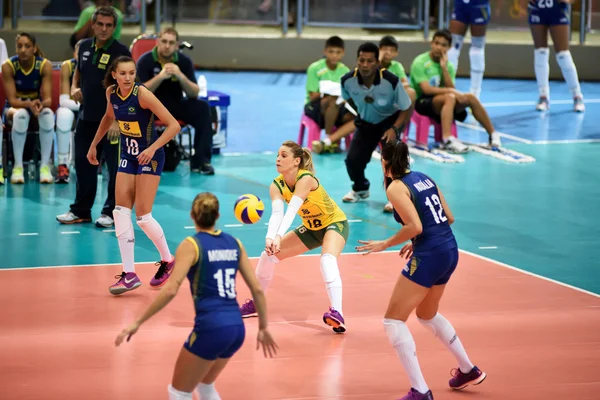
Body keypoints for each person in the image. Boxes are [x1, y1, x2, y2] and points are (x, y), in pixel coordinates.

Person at [356, 140, 486, 400]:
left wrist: (386, 243)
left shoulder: (395, 187)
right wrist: (417, 242)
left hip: (431, 254)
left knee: (393, 320)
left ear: (385, 162)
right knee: (427, 314)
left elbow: (415, 226)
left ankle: (420, 391)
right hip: (449, 249)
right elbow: (447, 218)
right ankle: (468, 369)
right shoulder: (424, 178)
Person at [115, 192, 278, 400]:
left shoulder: (192, 245)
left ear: (192, 215)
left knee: (178, 392)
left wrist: (137, 322)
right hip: (237, 329)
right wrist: (263, 327)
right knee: (205, 386)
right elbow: (256, 290)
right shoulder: (234, 243)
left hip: (211, 327)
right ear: (218, 215)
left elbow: (171, 288)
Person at [86, 56, 180, 294]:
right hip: (128, 155)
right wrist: (94, 144)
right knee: (119, 212)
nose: (128, 78)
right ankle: (129, 274)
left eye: (132, 73)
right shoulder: (112, 93)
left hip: (151, 155)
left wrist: (152, 148)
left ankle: (168, 260)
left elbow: (173, 126)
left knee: (143, 217)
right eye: (123, 74)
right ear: (115, 75)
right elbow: (109, 117)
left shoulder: (142, 94)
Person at [240, 140, 349, 334]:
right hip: (312, 229)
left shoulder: (305, 179)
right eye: (278, 155)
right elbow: (277, 213)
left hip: (334, 223)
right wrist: (270, 238)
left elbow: (292, 210)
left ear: (296, 161)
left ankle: (337, 313)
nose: (278, 159)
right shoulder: (276, 185)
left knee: (327, 260)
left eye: (284, 156)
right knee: (268, 256)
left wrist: (279, 236)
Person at [56, 6, 131, 227]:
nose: (104, 29)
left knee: (114, 169)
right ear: (93, 25)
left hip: (111, 121)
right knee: (83, 164)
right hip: (87, 118)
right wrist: (73, 88)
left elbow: (127, 87)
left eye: (109, 25)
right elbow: (78, 72)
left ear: (114, 27)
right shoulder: (84, 47)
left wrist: (118, 119)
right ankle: (81, 210)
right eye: (100, 24)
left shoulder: (121, 52)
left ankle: (111, 212)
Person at [339, 42, 412, 204]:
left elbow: (406, 107)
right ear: (357, 61)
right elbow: (348, 99)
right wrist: (362, 110)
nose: (365, 65)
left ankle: (395, 198)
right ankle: (361, 189)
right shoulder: (347, 81)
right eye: (361, 60)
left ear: (377, 62)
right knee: (352, 160)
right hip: (366, 122)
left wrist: (394, 128)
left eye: (370, 61)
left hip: (389, 122)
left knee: (391, 161)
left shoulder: (391, 81)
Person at [136, 27, 215, 174]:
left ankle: (201, 161)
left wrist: (180, 75)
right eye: (164, 41)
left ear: (177, 46)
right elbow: (139, 92)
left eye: (171, 43)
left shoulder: (184, 62)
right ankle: (141, 160)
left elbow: (194, 93)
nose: (167, 46)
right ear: (157, 42)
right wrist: (160, 77)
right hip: (151, 107)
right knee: (136, 112)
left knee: (203, 108)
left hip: (175, 104)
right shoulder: (145, 61)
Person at [409, 29, 501, 154]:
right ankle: (447, 139)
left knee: (470, 98)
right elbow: (427, 89)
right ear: (431, 43)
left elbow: (450, 86)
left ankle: (493, 134)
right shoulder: (420, 62)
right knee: (450, 97)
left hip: (443, 102)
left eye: (443, 45)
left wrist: (444, 69)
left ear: (449, 48)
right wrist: (451, 91)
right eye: (436, 43)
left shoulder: (449, 65)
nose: (439, 47)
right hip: (422, 102)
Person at [1, 32, 55, 184]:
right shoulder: (8, 66)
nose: (23, 49)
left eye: (27, 46)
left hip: (35, 107)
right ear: (16, 49)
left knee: (48, 115)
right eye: (19, 46)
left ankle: (45, 166)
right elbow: (11, 100)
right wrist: (30, 105)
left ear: (34, 48)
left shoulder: (44, 65)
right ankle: (18, 167)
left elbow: (49, 99)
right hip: (13, 108)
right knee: (21, 116)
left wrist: (40, 105)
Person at [528, 0, 584, 112]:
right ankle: (543, 96)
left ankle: (577, 95)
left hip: (557, 10)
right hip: (537, 9)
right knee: (540, 52)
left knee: (563, 55)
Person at [304, 36, 353, 154]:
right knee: (332, 99)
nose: (334, 55)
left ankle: (327, 142)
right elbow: (312, 96)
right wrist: (327, 92)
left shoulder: (345, 70)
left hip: (337, 106)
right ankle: (329, 137)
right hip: (314, 107)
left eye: (338, 52)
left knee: (358, 117)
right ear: (325, 51)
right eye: (331, 52)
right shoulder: (315, 68)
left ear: (343, 53)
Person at [446, 0, 491, 99]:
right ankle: (449, 88)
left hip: (479, 4)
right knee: (452, 49)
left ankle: (475, 93)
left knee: (476, 50)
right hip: (461, 4)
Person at [54, 39, 83, 183]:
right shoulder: (68, 66)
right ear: (74, 53)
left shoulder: (99, 66)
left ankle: (96, 162)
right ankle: (62, 164)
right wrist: (85, 104)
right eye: (80, 51)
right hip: (73, 106)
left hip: (94, 109)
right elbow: (63, 100)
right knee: (63, 115)